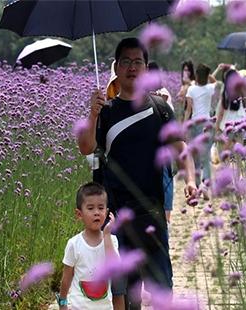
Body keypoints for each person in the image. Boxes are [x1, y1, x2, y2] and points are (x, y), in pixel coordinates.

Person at [77, 37, 197, 309]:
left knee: (162, 289)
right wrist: (92, 114)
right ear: (116, 67)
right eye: (126, 62)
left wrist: (190, 179)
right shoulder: (106, 112)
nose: (133, 67)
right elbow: (86, 147)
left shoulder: (160, 109)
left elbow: (181, 149)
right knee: (127, 296)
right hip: (117, 219)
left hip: (152, 215)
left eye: (138, 62)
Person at [58, 182, 122, 310]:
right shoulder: (74, 244)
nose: (96, 212)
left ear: (107, 212)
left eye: (101, 208)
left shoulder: (112, 240)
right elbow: (66, 279)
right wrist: (63, 303)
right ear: (79, 214)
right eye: (90, 208)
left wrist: (107, 235)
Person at [184, 63, 219, 198]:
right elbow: (216, 82)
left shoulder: (191, 89)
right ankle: (206, 185)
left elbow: (188, 110)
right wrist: (209, 74)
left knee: (196, 157)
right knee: (206, 157)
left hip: (195, 124)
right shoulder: (211, 88)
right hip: (208, 124)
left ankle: (198, 186)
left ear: (196, 75)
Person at [148, 61, 174, 224]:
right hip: (149, 144)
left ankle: (166, 217)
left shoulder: (164, 93)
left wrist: (161, 103)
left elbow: (169, 120)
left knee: (165, 178)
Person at [215, 67, 246, 145]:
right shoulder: (241, 92)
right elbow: (245, 107)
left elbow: (221, 113)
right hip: (241, 124)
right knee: (239, 151)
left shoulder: (226, 94)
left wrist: (216, 129)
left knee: (227, 151)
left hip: (228, 126)